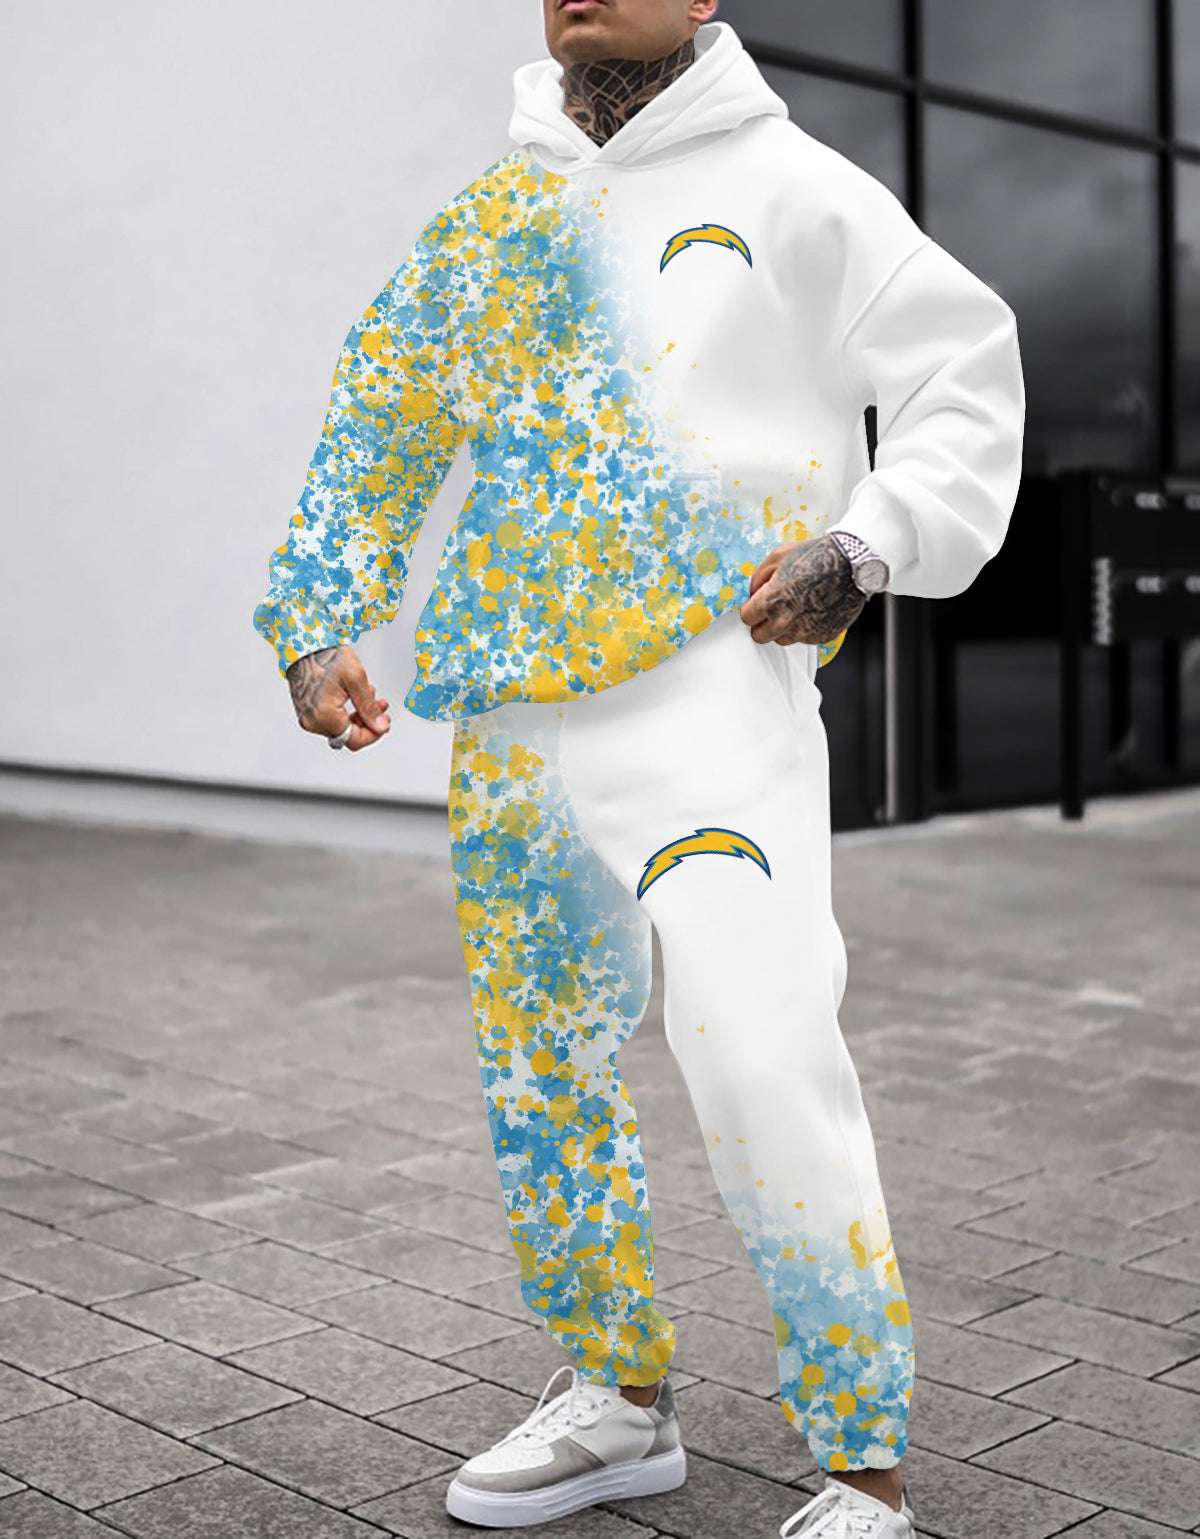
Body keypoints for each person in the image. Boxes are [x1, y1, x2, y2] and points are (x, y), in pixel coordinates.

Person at [253, 1, 1025, 1533]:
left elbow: (965, 369)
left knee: (758, 1051)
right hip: (510, 716)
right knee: (544, 1070)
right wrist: (320, 614)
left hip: (711, 685)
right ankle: (617, 1396)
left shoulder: (793, 189)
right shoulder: (496, 214)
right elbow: (382, 413)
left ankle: (864, 1467)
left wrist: (868, 543)